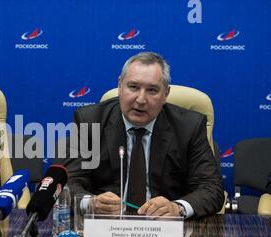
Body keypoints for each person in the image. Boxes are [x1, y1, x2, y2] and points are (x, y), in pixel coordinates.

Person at [63, 52, 224, 219]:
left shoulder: (189, 126)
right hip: (107, 227)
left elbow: (211, 189)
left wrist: (177, 208)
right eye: (133, 87)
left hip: (165, 229)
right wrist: (90, 203)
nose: (141, 99)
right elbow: (66, 182)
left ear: (166, 94)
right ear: (120, 86)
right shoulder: (90, 121)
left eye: (152, 90)